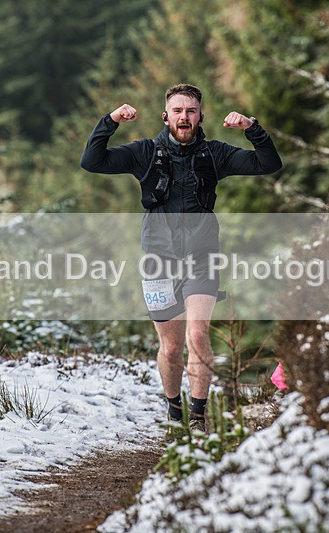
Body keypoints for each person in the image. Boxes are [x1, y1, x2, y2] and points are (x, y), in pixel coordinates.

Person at [80, 83, 281, 433]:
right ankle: (175, 411)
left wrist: (252, 129)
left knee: (198, 335)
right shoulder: (145, 152)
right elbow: (92, 161)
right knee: (171, 349)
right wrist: (110, 121)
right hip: (157, 260)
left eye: (190, 111)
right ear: (166, 116)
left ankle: (199, 416)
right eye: (178, 111)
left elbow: (269, 163)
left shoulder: (215, 154)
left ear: (201, 117)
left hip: (203, 258)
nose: (184, 117)